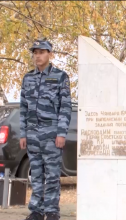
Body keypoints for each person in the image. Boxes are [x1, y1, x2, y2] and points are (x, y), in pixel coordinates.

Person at [19, 38, 72, 220]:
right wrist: (23, 133)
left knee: (52, 175)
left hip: (51, 135)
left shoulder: (60, 77)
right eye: (35, 52)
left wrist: (62, 133)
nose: (38, 56)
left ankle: (51, 211)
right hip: (33, 135)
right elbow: (23, 107)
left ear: (50, 54)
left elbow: (65, 108)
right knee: (36, 175)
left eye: (42, 52)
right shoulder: (28, 78)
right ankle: (36, 211)